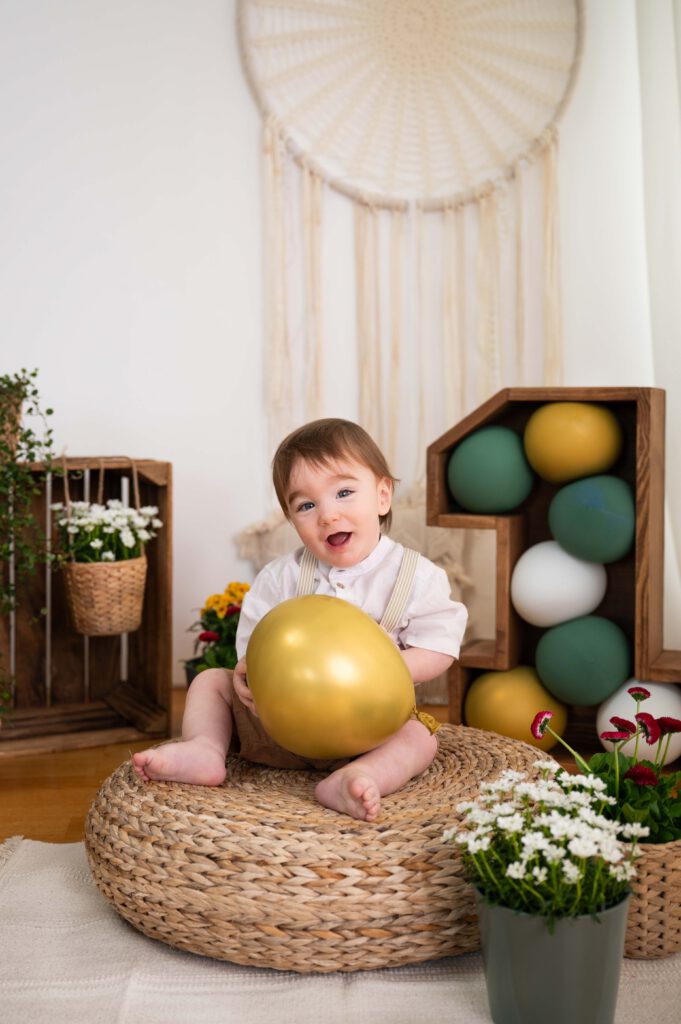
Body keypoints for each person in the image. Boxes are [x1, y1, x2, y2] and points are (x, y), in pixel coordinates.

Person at [133, 418, 468, 821]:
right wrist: (246, 671)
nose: (328, 515)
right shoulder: (282, 576)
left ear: (382, 496)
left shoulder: (415, 576)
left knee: (420, 738)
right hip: (279, 727)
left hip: (369, 730)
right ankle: (204, 749)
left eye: (344, 493)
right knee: (211, 682)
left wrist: (383, 670)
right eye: (307, 505)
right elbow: (255, 642)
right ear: (292, 520)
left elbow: (440, 644)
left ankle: (360, 775)